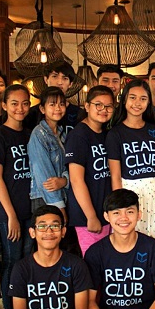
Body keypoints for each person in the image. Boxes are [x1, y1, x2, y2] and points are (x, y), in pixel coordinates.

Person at [106, 79, 155, 247]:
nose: (137, 103)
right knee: (130, 245)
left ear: (149, 102)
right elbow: (115, 175)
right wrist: (120, 208)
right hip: (129, 193)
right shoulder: (115, 134)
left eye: (143, 98)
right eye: (132, 97)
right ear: (124, 100)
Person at [84, 189, 155, 309]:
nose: (124, 218)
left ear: (139, 215)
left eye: (130, 212)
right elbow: (90, 301)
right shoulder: (95, 253)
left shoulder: (154, 248)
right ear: (106, 216)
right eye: (116, 213)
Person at [0, 84, 33, 309]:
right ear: (5, 105)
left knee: (26, 260)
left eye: (25, 103)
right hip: (9, 212)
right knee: (11, 261)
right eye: (14, 103)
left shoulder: (30, 134)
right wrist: (11, 216)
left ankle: (22, 307)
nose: (20, 108)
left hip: (30, 210)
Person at [9, 205, 93, 309]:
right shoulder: (21, 269)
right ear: (32, 232)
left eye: (55, 226)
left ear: (63, 231)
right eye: (42, 226)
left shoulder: (76, 265)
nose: (49, 231)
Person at [65, 85, 115, 255]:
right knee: (94, 262)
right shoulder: (78, 135)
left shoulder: (106, 134)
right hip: (87, 215)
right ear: (87, 106)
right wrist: (91, 216)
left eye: (108, 106)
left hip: (107, 212)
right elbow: (76, 179)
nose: (103, 110)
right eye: (98, 105)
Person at [28, 87, 70, 221]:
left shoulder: (62, 133)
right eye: (52, 104)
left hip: (61, 195)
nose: (57, 108)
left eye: (61, 104)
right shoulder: (39, 134)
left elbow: (67, 166)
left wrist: (65, 180)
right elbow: (45, 177)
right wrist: (60, 207)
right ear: (42, 109)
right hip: (45, 199)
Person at [24, 61, 82, 141]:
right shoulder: (32, 114)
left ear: (70, 84)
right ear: (46, 79)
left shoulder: (79, 114)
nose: (59, 82)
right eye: (55, 76)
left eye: (65, 78)